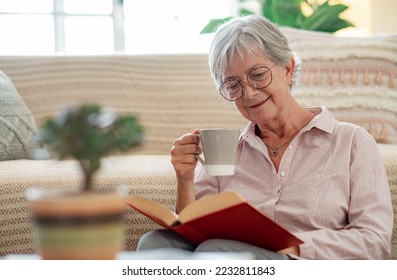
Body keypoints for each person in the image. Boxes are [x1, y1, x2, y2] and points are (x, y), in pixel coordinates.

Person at [137, 15, 393, 259]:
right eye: (233, 84)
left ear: (288, 68)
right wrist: (185, 178)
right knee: (155, 244)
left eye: (258, 75)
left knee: (218, 252)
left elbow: (373, 241)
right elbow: (193, 230)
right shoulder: (227, 148)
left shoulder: (351, 141)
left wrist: (290, 246)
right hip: (227, 254)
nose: (248, 93)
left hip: (299, 263)